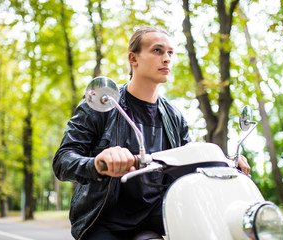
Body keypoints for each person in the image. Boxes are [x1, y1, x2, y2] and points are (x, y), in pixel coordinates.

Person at [53, 26, 250, 240]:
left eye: (170, 53)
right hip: (104, 218)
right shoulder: (104, 103)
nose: (166, 58)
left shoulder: (175, 116)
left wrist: (226, 163)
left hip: (157, 214)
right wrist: (98, 164)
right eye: (157, 50)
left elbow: (191, 166)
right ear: (133, 58)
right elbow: (63, 161)